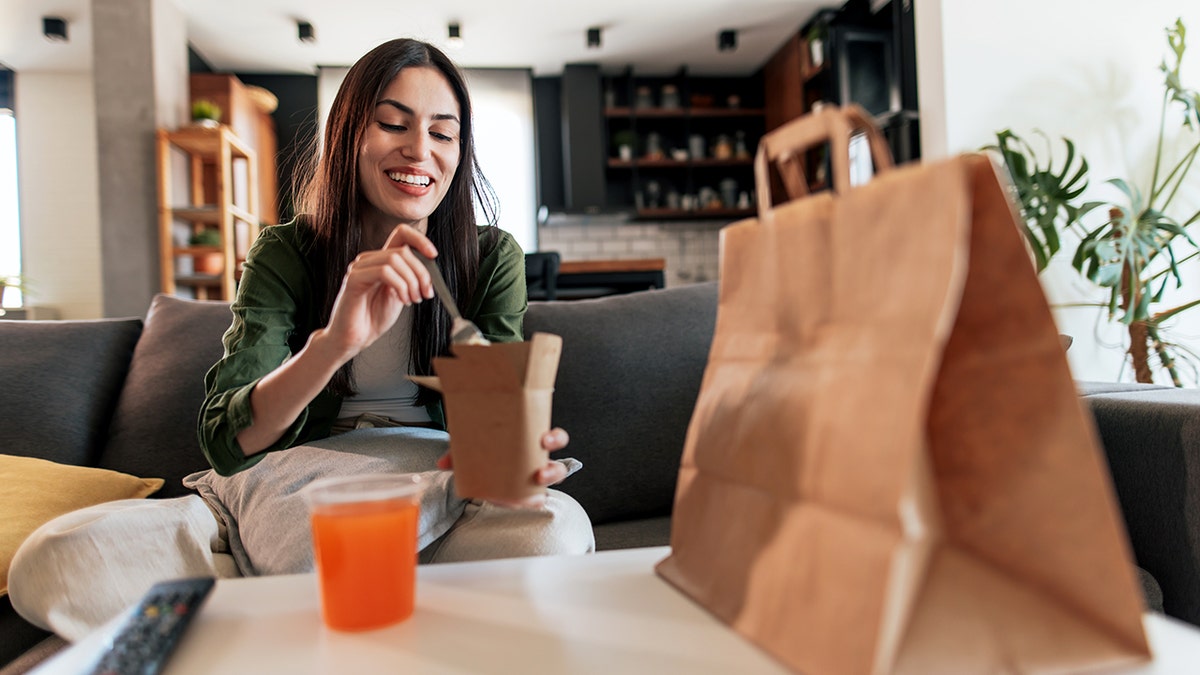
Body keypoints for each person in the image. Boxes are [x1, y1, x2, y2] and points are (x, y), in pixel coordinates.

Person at [9, 38, 593, 641]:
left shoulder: (490, 256)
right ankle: (326, 584)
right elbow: (227, 443)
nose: (419, 150)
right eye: (393, 124)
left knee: (554, 534)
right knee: (54, 562)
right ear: (348, 137)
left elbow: (494, 429)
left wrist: (509, 450)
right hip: (282, 485)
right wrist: (334, 343)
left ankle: (273, 595)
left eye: (443, 134)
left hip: (433, 489)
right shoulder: (286, 253)